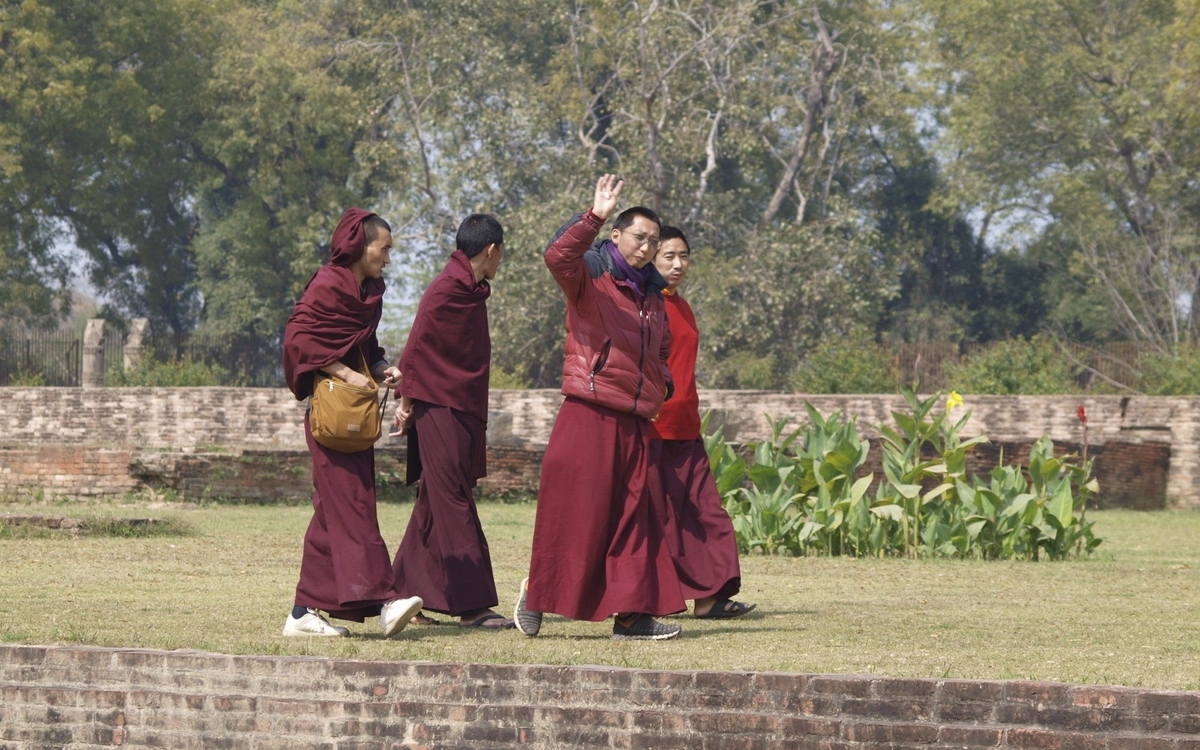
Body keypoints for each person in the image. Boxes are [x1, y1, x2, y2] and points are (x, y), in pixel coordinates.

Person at [514, 174, 686, 641]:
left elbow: (661, 350)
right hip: (588, 411)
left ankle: (630, 617)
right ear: (617, 236)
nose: (647, 248)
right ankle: (537, 593)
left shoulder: (652, 296)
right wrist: (594, 214)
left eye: (654, 241)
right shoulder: (590, 275)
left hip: (634, 419)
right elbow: (556, 256)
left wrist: (661, 385)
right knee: (577, 515)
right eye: (639, 238)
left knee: (635, 516)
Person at [281, 207, 424, 638]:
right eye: (385, 248)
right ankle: (385, 600)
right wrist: (345, 374)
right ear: (361, 246)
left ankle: (303, 614)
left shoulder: (369, 290)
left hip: (355, 416)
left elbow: (365, 344)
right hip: (331, 416)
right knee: (355, 506)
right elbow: (298, 339)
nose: (389, 257)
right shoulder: (328, 284)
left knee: (332, 512)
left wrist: (382, 368)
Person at [389, 214, 513, 630]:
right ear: (491, 250)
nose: (500, 262)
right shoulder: (447, 288)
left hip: (458, 406)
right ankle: (473, 604)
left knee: (433, 503)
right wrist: (406, 404)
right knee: (452, 498)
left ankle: (402, 593)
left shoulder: (469, 289)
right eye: (501, 253)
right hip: (439, 407)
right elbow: (416, 347)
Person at [650, 225, 756, 620]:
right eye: (668, 257)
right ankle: (643, 599)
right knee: (655, 519)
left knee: (707, 511)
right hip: (651, 429)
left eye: (684, 256)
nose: (678, 265)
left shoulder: (682, 305)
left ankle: (711, 597)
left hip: (685, 428)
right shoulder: (643, 304)